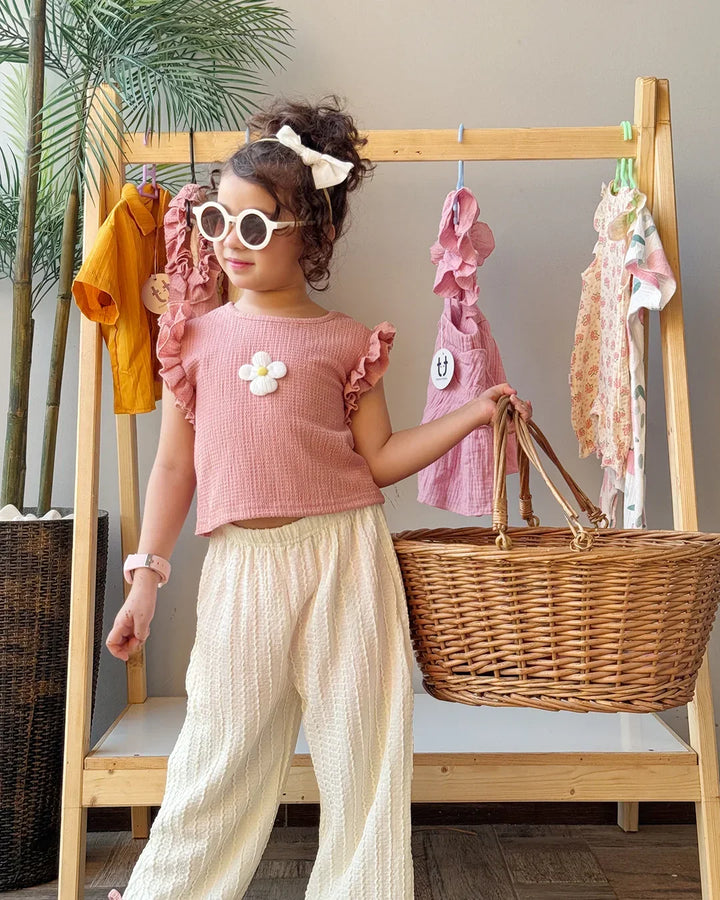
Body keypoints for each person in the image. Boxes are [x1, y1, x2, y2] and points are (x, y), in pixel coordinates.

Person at [106, 96, 532, 900]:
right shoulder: (192, 339)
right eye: (218, 223)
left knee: (363, 752)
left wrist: (475, 414)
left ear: (314, 234)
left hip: (346, 558)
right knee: (217, 751)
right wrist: (145, 580)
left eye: (256, 227)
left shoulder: (345, 343)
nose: (231, 243)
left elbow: (378, 459)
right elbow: (173, 470)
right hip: (241, 568)